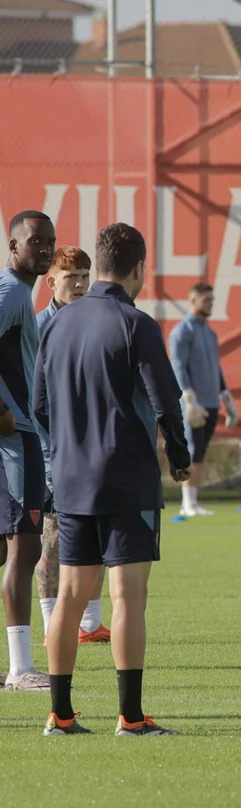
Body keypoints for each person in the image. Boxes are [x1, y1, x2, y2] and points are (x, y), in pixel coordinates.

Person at [35, 222, 192, 735]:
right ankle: (129, 717)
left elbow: (39, 405)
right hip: (126, 478)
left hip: (71, 480)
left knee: (72, 595)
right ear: (139, 268)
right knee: (128, 596)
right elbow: (165, 398)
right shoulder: (136, 323)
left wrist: (65, 450)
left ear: (98, 265)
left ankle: (60, 714)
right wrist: (181, 454)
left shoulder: (57, 323)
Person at [35, 246, 110, 646]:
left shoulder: (95, 321)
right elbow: (36, 406)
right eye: (71, 277)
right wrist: (48, 459)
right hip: (52, 456)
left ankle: (89, 623)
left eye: (85, 275)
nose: (80, 284)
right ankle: (52, 626)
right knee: (51, 543)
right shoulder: (39, 328)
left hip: (90, 453)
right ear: (52, 282)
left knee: (93, 538)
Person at [1, 211, 54, 691]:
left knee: (6, 549)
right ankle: (20, 667)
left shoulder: (17, 291)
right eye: (34, 240)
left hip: (15, 434)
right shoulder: (13, 292)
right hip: (16, 437)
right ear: (13, 245)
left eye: (49, 242)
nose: (44, 249)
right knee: (25, 545)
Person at [169, 283, 238, 518]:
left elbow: (215, 368)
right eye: (205, 300)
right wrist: (188, 398)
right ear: (192, 300)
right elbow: (178, 366)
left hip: (210, 401)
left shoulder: (210, 332)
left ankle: (194, 500)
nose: (210, 304)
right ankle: (186, 502)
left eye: (212, 299)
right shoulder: (182, 331)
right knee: (191, 451)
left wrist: (226, 397)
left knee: (201, 452)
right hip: (193, 404)